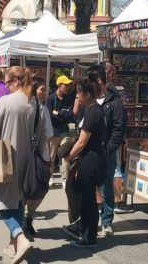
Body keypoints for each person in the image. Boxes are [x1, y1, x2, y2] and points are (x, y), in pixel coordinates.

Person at [0, 66, 48, 263]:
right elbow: (43, 136)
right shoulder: (37, 105)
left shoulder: (6, 101)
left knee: (2, 202)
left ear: (15, 81)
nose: (6, 86)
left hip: (6, 159)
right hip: (29, 162)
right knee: (19, 200)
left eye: (7, 82)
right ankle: (14, 244)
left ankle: (19, 238)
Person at [64, 78, 107, 247]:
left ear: (86, 94)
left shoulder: (93, 112)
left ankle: (89, 237)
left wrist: (68, 157)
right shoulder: (93, 110)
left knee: (89, 199)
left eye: (78, 93)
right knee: (86, 197)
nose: (77, 97)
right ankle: (83, 229)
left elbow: (82, 141)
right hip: (91, 158)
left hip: (91, 159)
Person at [88, 62, 127, 237]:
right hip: (90, 151)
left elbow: (119, 129)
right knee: (89, 186)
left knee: (106, 187)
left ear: (98, 80)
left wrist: (109, 149)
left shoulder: (114, 101)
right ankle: (89, 219)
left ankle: (106, 221)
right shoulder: (89, 100)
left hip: (106, 152)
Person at [22, 76, 53, 240]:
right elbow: (45, 136)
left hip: (31, 155)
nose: (45, 93)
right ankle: (24, 221)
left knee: (35, 189)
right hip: (31, 155)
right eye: (42, 89)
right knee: (33, 188)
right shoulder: (38, 108)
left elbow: (45, 137)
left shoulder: (41, 108)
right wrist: (47, 158)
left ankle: (27, 219)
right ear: (34, 89)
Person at [46, 75, 75, 184]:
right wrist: (64, 114)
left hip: (65, 131)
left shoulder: (69, 99)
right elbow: (49, 115)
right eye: (66, 85)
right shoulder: (50, 98)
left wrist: (58, 113)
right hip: (53, 131)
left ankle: (65, 178)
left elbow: (70, 115)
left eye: (69, 85)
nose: (68, 87)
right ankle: (50, 176)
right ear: (59, 85)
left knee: (66, 155)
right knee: (51, 155)